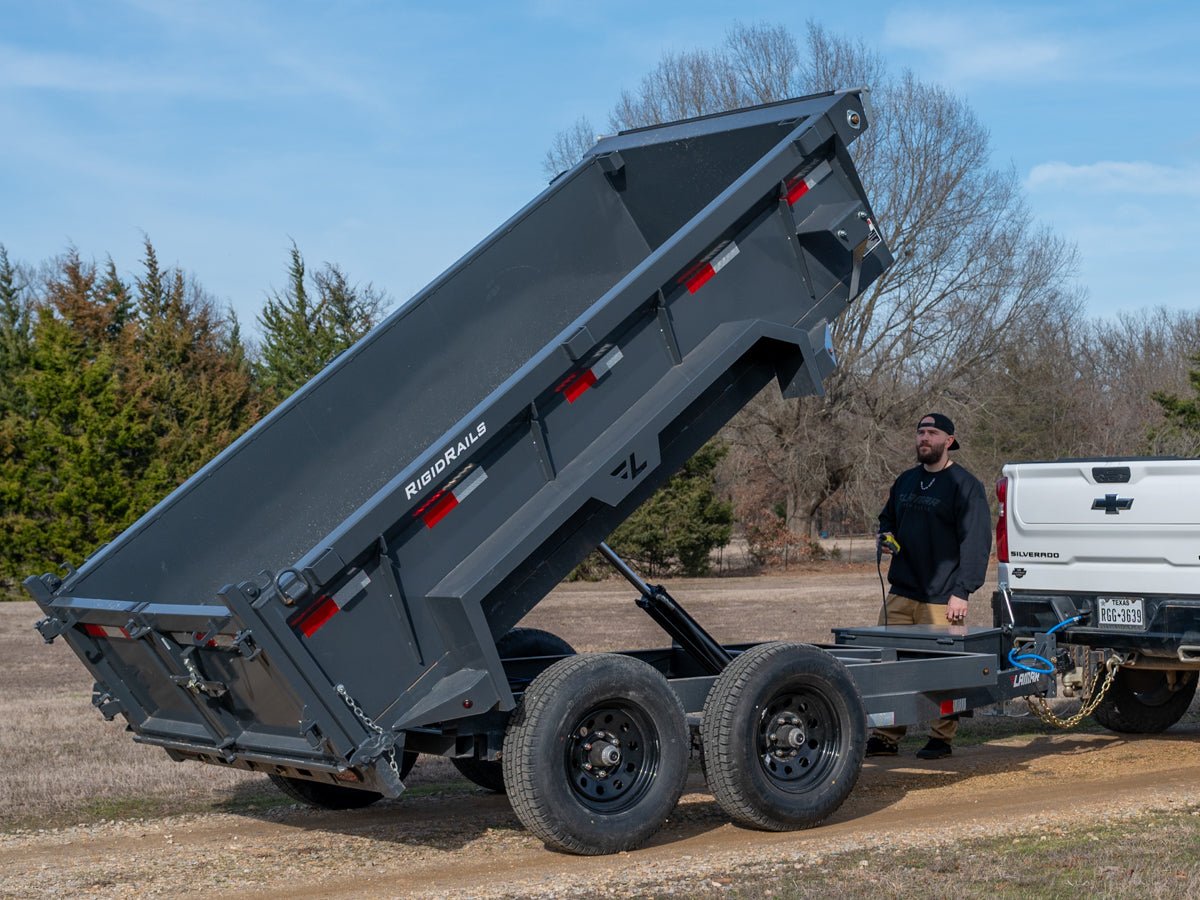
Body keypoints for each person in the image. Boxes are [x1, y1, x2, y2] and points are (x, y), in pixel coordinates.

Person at [866, 413, 991, 760]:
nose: (924, 437)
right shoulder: (905, 481)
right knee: (886, 665)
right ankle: (886, 736)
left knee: (943, 668)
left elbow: (976, 542)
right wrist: (886, 536)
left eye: (932, 432)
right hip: (902, 591)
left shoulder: (965, 486)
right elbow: (886, 518)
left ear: (948, 440)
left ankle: (941, 737)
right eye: (920, 431)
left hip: (943, 597)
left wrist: (962, 591)